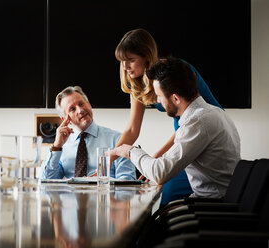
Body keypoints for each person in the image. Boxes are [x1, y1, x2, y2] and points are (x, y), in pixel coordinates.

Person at [113, 28, 223, 204]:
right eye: (122, 62)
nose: (125, 67)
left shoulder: (175, 74)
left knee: (168, 189)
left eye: (131, 60)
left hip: (201, 135)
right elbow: (132, 130)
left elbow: (194, 122)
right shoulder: (138, 83)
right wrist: (109, 158)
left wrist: (157, 155)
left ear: (147, 58)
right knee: (161, 186)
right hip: (186, 134)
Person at [111, 57, 240, 198]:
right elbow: (167, 162)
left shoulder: (198, 122)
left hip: (211, 209)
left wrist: (130, 151)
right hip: (208, 203)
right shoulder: (213, 113)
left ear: (176, 98)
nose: (158, 101)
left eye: (159, 96)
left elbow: (160, 173)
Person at [41, 86, 136, 180]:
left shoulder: (117, 139)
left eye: (81, 104)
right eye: (72, 109)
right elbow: (49, 179)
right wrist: (57, 146)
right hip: (70, 194)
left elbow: (127, 181)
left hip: (105, 193)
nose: (80, 110)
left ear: (89, 104)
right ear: (65, 119)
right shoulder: (61, 146)